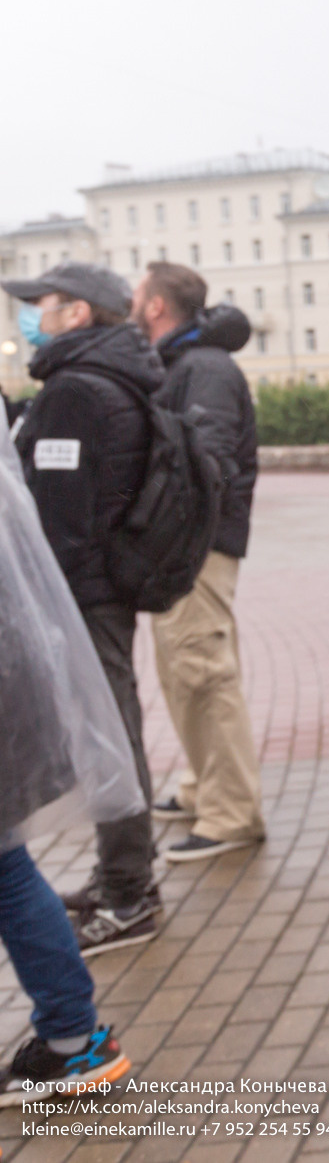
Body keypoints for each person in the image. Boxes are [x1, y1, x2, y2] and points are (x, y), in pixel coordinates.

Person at [4, 262, 166, 957]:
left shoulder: (75, 388)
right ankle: (117, 875)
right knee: (114, 724)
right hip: (107, 584)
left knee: (110, 733)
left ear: (77, 312)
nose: (28, 314)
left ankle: (130, 891)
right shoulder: (113, 374)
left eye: (40, 303)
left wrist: (44, 604)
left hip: (85, 590)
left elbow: (61, 516)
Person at [0, 439, 141, 1107]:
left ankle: (72, 1039)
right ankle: (72, 1037)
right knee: (7, 865)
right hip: (15, 671)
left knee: (6, 869)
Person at [130, 263, 266, 864]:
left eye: (137, 293)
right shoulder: (184, 363)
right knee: (184, 673)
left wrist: (165, 527)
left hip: (197, 548)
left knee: (205, 674)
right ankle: (200, 788)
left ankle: (232, 812)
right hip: (182, 548)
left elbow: (206, 462)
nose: (131, 302)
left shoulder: (204, 368)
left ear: (157, 305)